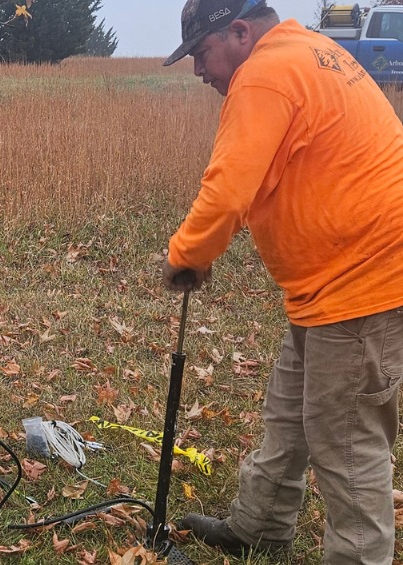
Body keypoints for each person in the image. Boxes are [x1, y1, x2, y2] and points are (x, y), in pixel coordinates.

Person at [160, 0, 403, 563]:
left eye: (201, 53)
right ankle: (262, 525)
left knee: (346, 445)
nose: (199, 72)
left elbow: (227, 190)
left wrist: (186, 256)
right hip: (329, 283)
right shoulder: (311, 52)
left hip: (363, 281)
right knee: (290, 412)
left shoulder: (265, 74)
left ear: (240, 32)